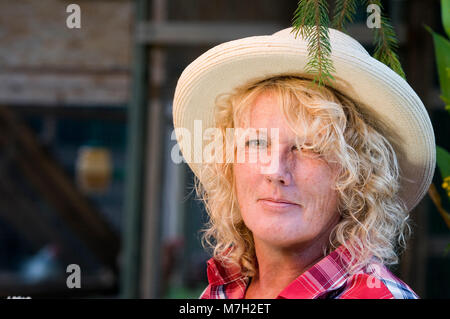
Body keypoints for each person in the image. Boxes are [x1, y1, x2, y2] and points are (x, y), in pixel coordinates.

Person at [172, 28, 435, 299]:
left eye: (309, 148)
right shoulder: (222, 291)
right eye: (257, 143)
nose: (275, 170)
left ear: (358, 179)